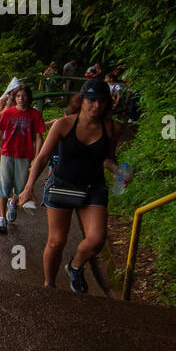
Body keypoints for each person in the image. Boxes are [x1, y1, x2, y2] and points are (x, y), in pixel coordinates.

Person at [17, 79, 129, 292]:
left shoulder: (113, 128)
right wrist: (28, 187)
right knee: (56, 241)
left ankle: (75, 266)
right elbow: (41, 158)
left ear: (107, 104)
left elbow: (107, 158)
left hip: (93, 188)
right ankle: (49, 285)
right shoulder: (63, 124)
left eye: (102, 101)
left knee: (96, 239)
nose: (97, 106)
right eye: (92, 100)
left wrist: (117, 171)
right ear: (82, 100)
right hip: (62, 185)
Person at [0, 84, 45, 233]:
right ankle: (1, 218)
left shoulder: (35, 115)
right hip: (8, 152)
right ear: (14, 98)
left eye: (24, 96)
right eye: (18, 96)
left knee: (21, 187)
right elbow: (0, 132)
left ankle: (13, 203)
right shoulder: (8, 113)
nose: (21, 99)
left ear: (29, 97)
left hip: (25, 154)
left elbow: (39, 136)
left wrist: (37, 156)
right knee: (3, 185)